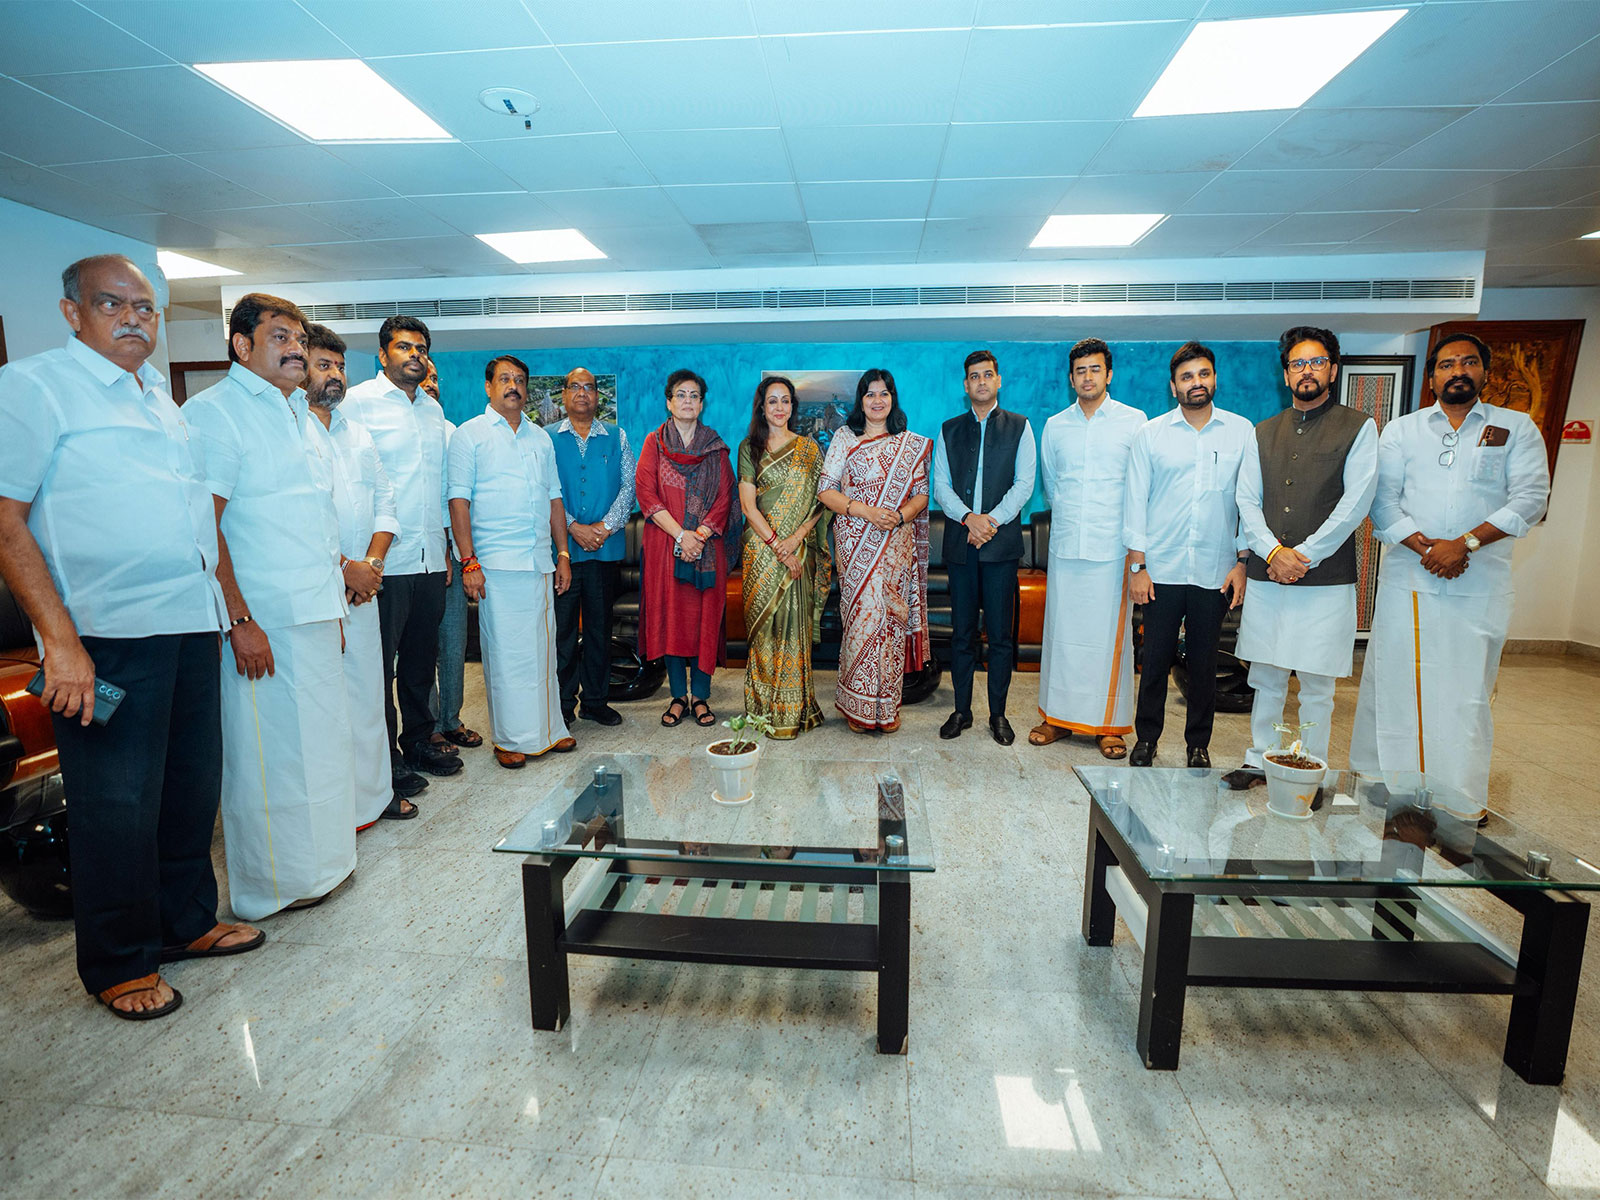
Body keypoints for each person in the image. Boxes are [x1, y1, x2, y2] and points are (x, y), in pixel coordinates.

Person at [0, 253, 261, 1020]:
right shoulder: (35, 387)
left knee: (187, 788)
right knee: (115, 804)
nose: (133, 319)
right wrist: (60, 642)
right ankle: (118, 961)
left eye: (145, 308)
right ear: (72, 312)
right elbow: (7, 521)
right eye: (112, 304)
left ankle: (185, 922)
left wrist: (224, 611)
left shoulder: (158, 398)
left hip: (188, 622)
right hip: (104, 638)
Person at [184, 294, 356, 918]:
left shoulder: (299, 414)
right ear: (242, 344)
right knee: (271, 760)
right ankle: (274, 885)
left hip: (315, 614)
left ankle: (324, 868)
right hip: (264, 622)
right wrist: (239, 618)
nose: (296, 348)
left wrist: (333, 608)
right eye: (280, 336)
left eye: (300, 338)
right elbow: (206, 527)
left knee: (323, 750)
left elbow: (317, 522)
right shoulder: (215, 413)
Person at [1350, 332, 1550, 816]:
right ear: (1432, 377)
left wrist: (1464, 545)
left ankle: (1458, 797)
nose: (1457, 371)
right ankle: (1387, 783)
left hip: (1478, 581)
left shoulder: (1515, 427)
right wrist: (1428, 548)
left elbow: (1531, 499)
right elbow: (1382, 500)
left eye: (1468, 362)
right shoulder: (1402, 431)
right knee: (1396, 681)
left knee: (1466, 692)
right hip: (1410, 577)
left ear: (1485, 371)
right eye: (1446, 364)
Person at [1224, 327, 1378, 789]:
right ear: (1286, 374)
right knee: (1266, 676)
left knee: (1317, 684)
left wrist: (1303, 556)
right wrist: (1273, 552)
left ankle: (1310, 767)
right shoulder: (1263, 432)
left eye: (1316, 362)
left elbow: (1356, 503)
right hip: (1269, 574)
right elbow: (1246, 499)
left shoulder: (1358, 427)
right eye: (1297, 364)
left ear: (1333, 369)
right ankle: (1260, 759)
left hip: (1324, 579)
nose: (1306, 371)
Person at [1123, 341, 1253, 768]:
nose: (1196, 382)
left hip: (1215, 570)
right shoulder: (1151, 434)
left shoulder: (1241, 432)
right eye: (1186, 377)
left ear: (1214, 378)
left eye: (1203, 374)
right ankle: (1147, 739)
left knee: (1203, 664)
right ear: (1173, 386)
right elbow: (1135, 502)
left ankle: (1198, 744)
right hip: (1161, 569)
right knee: (1154, 660)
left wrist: (1242, 563)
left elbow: (1249, 503)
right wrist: (1138, 566)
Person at [342, 316, 460, 786]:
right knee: (378, 666)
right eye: (404, 347)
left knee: (418, 662)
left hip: (430, 557)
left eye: (421, 349)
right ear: (382, 355)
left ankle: (419, 741)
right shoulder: (358, 403)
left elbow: (440, 487)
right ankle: (384, 759)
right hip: (384, 562)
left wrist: (446, 548)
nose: (415, 355)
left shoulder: (433, 412)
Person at [448, 355, 576, 767]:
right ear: (488, 387)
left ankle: (549, 730)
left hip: (538, 561)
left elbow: (554, 498)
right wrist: (469, 561)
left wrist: (562, 554)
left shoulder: (540, 438)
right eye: (505, 379)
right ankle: (509, 739)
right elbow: (458, 501)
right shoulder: (470, 435)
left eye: (520, 379)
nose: (513, 386)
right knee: (506, 655)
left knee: (542, 652)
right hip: (495, 564)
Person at [304, 324, 407, 825]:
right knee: (328, 706)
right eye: (323, 365)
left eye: (340, 366)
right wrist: (347, 569)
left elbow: (386, 503)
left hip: (365, 589)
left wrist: (372, 567)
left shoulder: (357, 433)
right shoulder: (290, 432)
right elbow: (301, 518)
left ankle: (375, 796)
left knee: (369, 697)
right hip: (318, 588)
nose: (336, 375)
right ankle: (338, 810)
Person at [1031, 338, 1146, 759]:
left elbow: (1139, 488)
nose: (1087, 377)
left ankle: (1109, 725)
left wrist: (1137, 555)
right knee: (1061, 637)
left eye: (1095, 369)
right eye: (1080, 370)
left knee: (1108, 642)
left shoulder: (1134, 422)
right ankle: (1058, 718)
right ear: (1071, 378)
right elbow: (1052, 485)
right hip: (1066, 546)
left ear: (1108, 374)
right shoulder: (1055, 425)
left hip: (1113, 549)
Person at [817, 369, 933, 732]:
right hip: (856, 544)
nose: (877, 401)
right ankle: (858, 707)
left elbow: (922, 494)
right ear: (861, 401)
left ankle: (888, 707)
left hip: (896, 543)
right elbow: (825, 490)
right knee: (862, 620)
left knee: (892, 623)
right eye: (870, 394)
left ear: (893, 399)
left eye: (884, 394)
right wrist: (866, 511)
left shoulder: (909, 444)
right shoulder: (844, 437)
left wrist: (900, 516)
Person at [932, 349, 1037, 746]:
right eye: (974, 376)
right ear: (966, 384)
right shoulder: (949, 429)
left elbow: (1024, 485)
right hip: (961, 545)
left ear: (998, 381)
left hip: (1000, 547)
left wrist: (988, 521)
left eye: (987, 375)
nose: (981, 381)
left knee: (1000, 636)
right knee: (962, 634)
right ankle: (961, 710)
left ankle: (998, 714)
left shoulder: (1020, 427)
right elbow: (940, 486)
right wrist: (968, 519)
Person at [635, 369, 735, 729]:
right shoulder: (654, 443)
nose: (688, 401)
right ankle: (678, 696)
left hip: (707, 550)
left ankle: (701, 696)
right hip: (665, 547)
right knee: (671, 620)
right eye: (681, 394)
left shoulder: (715, 448)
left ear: (702, 404)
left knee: (704, 620)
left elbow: (725, 497)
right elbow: (646, 493)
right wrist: (682, 536)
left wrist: (700, 536)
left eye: (694, 395)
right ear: (669, 402)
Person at [737, 375, 831, 738]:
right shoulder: (750, 447)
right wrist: (779, 545)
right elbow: (748, 506)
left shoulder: (809, 450)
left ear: (793, 406)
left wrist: (796, 539)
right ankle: (762, 709)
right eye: (772, 401)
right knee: (764, 631)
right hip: (761, 550)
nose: (779, 407)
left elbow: (820, 502)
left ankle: (793, 709)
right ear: (762, 407)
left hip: (799, 549)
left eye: (786, 400)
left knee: (794, 629)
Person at [551, 367, 635, 727]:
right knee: (564, 632)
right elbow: (544, 490)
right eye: (575, 386)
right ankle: (562, 703)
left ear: (598, 396)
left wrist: (603, 528)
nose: (582, 393)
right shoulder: (546, 438)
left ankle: (596, 702)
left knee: (600, 629)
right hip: (562, 552)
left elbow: (628, 487)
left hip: (604, 550)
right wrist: (573, 527)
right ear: (564, 395)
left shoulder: (617, 436)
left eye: (589, 387)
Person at [422, 356, 482, 755]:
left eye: (435, 377)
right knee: (423, 646)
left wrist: (457, 551)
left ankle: (451, 719)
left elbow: (457, 497)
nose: (431, 383)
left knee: (453, 642)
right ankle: (428, 726)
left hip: (453, 553)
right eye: (424, 377)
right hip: (417, 555)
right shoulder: (395, 430)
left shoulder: (451, 433)